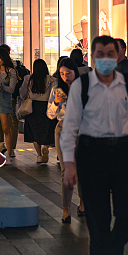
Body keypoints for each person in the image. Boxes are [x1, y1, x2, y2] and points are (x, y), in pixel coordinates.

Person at [61, 35, 128, 255]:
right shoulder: (83, 85)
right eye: (100, 54)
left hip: (123, 152)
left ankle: (111, 253)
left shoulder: (127, 84)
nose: (106, 59)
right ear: (93, 57)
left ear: (118, 55)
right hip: (92, 154)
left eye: (110, 54)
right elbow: (69, 127)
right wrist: (69, 164)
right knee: (98, 220)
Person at [48, 57, 84, 223]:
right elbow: (50, 114)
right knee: (66, 170)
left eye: (68, 73)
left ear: (74, 72)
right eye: (61, 73)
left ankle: (83, 204)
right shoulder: (56, 90)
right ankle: (66, 209)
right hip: (62, 130)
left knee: (82, 170)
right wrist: (56, 102)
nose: (65, 77)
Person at [19, 58, 55, 163]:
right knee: (47, 130)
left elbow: (22, 92)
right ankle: (46, 147)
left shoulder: (28, 79)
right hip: (46, 107)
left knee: (34, 132)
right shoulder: (51, 80)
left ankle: (39, 155)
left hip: (32, 107)